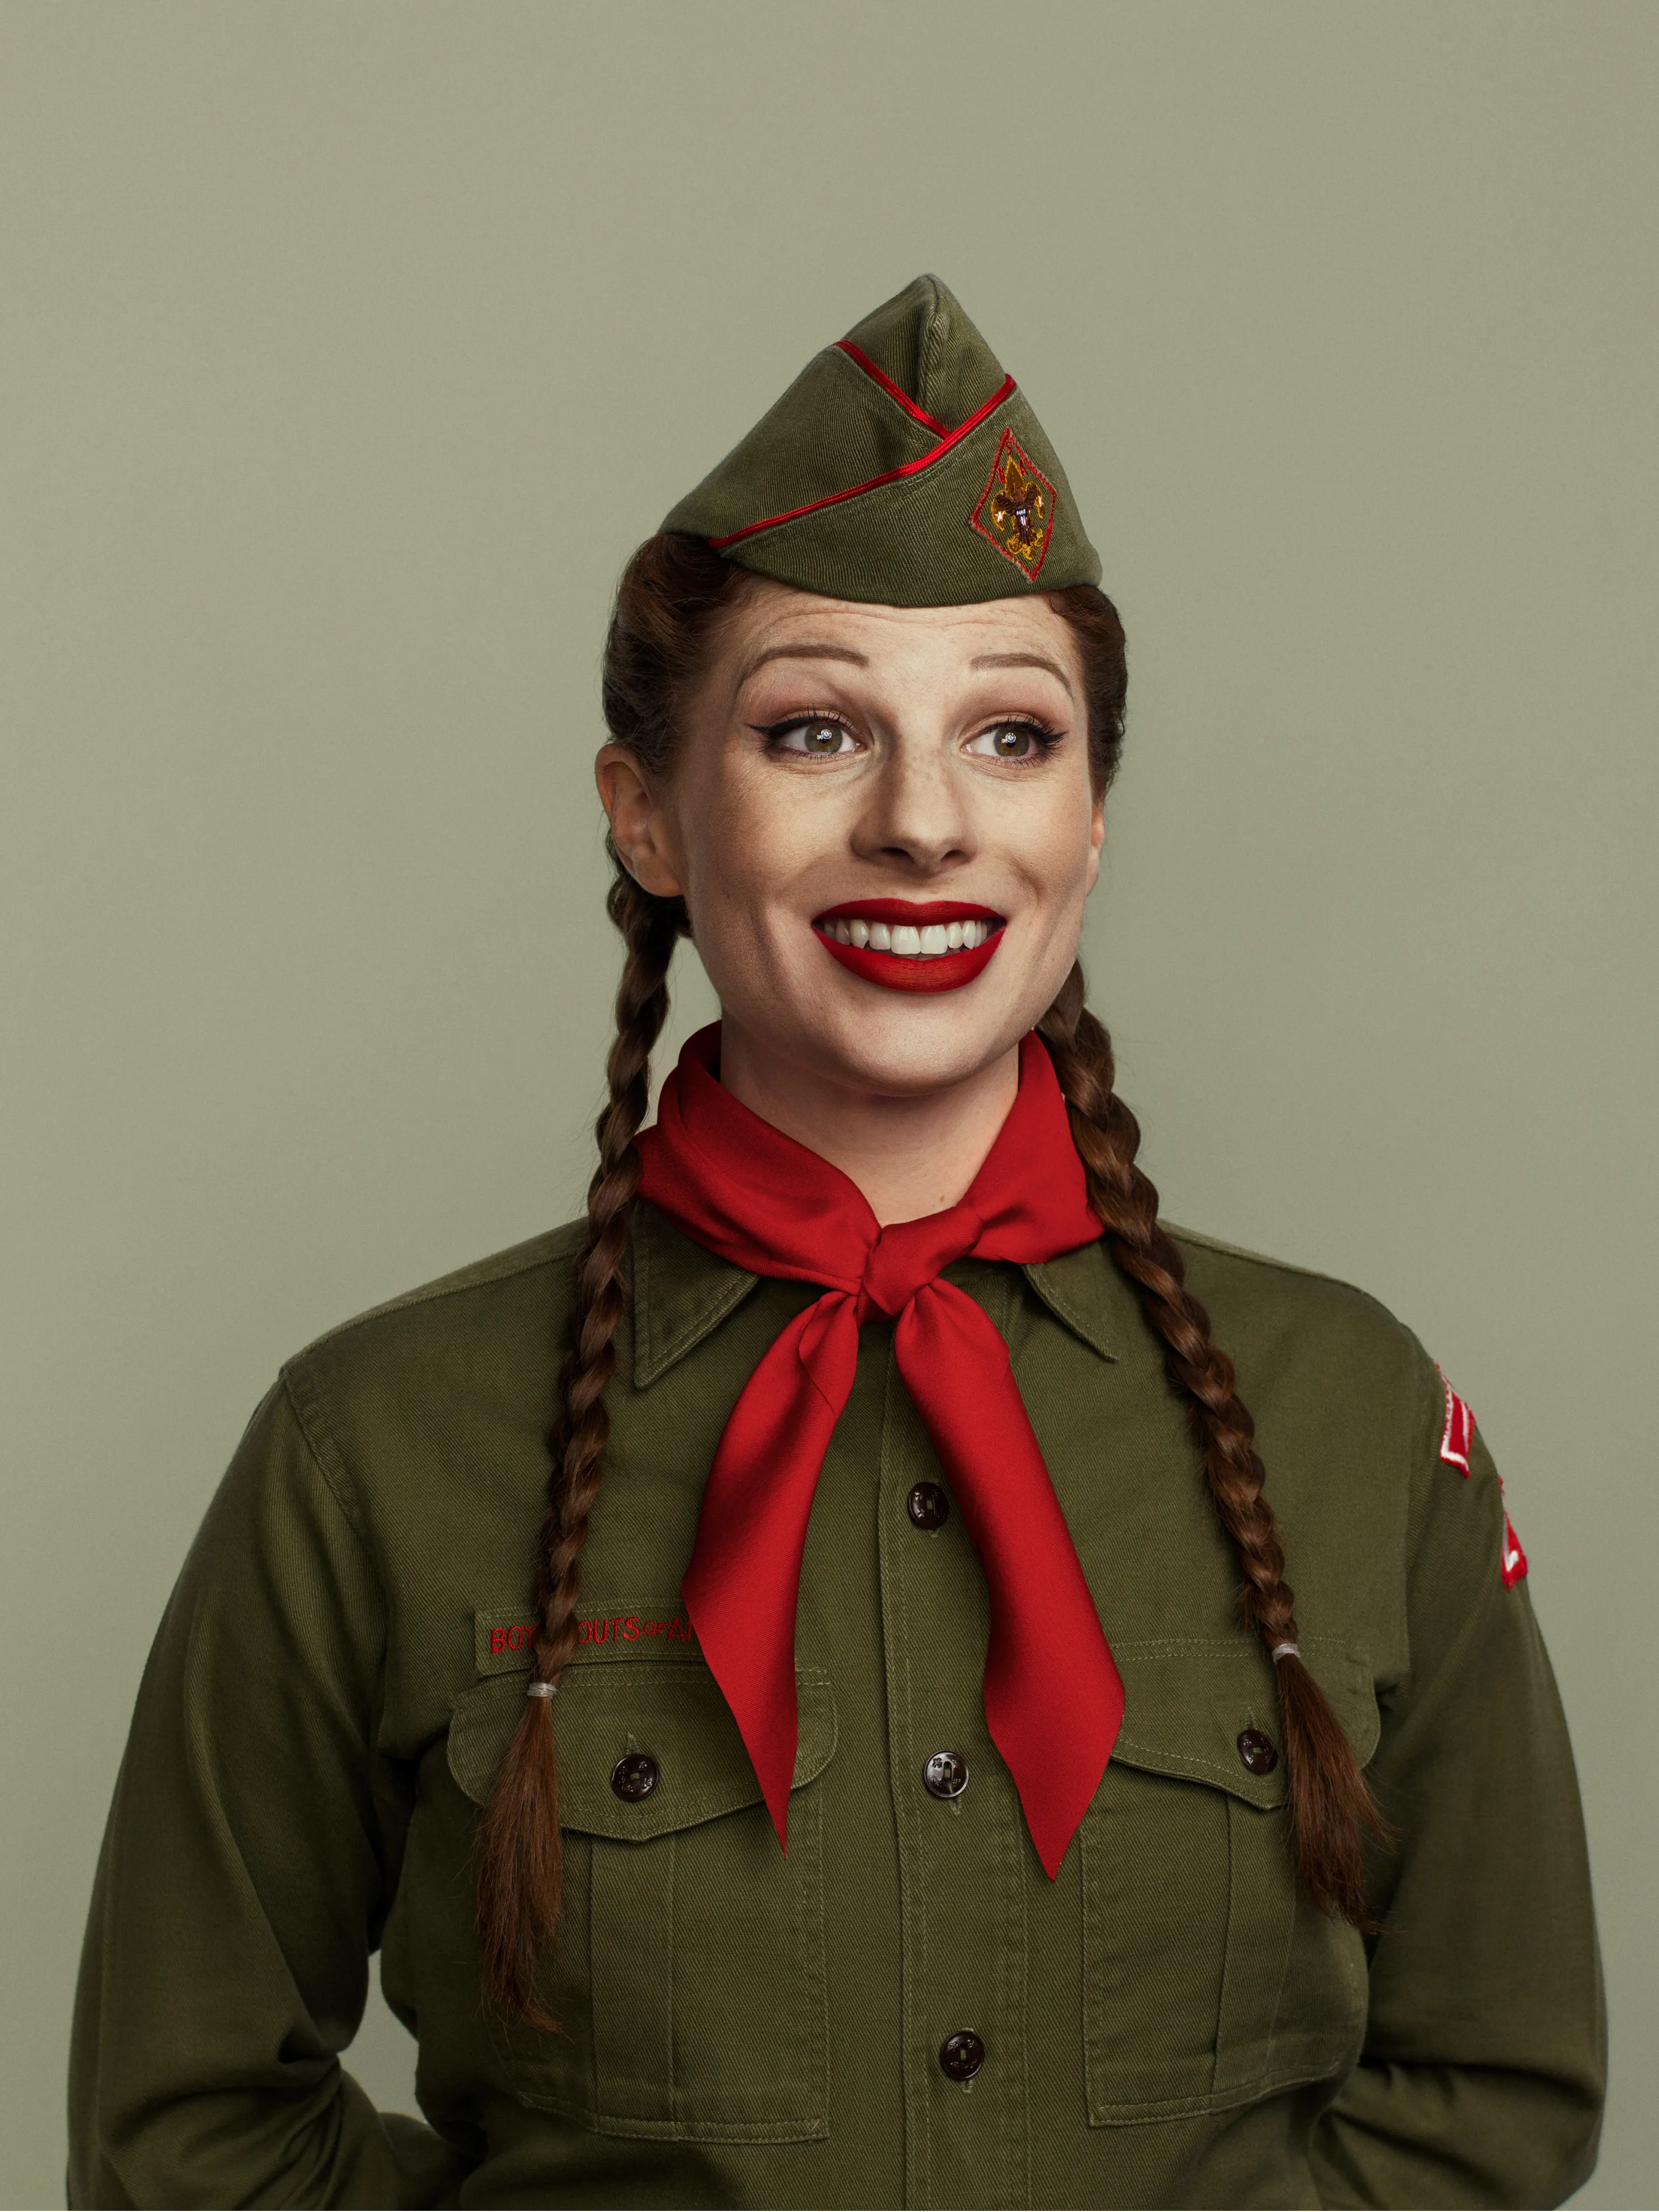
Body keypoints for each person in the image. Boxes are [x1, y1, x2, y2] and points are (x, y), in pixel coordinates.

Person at [69, 276, 1604, 2210]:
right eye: (814, 732)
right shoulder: (366, 1447)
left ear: (1094, 821)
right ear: (646, 817)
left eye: (1011, 738)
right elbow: (183, 2125)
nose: (925, 826)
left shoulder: (1356, 1416)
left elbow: (1500, 2092)